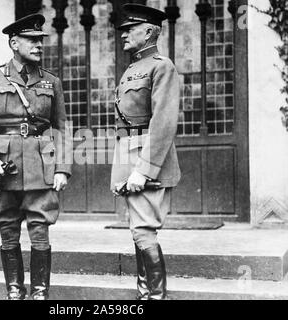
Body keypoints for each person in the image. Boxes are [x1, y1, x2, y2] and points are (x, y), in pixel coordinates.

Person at [0, 13, 72, 300]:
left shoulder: (52, 82)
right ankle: (15, 290)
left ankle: (40, 293)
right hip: (4, 166)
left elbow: (62, 128)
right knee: (7, 226)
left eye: (41, 40)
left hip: (41, 167)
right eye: (32, 40)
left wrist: (62, 168)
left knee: (40, 229)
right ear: (14, 43)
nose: (39, 45)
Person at [111, 4, 181, 300]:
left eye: (130, 29)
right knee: (137, 230)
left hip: (146, 159)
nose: (123, 34)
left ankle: (155, 297)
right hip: (128, 154)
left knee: (143, 231)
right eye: (123, 29)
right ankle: (145, 295)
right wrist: (123, 168)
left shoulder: (161, 66)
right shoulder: (132, 68)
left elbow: (163, 122)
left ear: (150, 31)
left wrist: (144, 169)